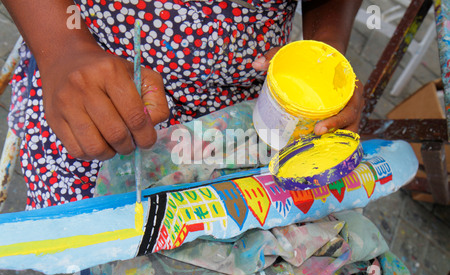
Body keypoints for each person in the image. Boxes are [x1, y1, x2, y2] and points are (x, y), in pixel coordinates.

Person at [2, 0, 364, 211]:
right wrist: (62, 48)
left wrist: (323, 57)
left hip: (251, 107)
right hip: (89, 84)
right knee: (95, 237)